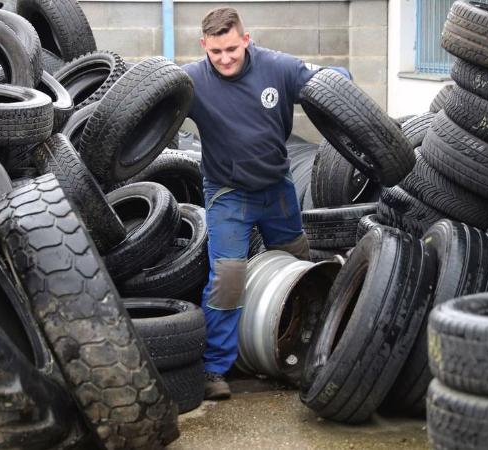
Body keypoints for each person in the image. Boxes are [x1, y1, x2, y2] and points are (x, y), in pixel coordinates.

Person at [182, 7, 346, 400]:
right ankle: (215, 368)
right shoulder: (189, 80)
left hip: (277, 189)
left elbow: (333, 83)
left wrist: (349, 98)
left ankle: (301, 348)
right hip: (227, 193)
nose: (224, 59)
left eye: (232, 50)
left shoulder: (278, 68)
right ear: (204, 46)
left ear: (246, 39)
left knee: (300, 264)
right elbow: (141, 106)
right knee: (229, 276)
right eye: (216, 51)